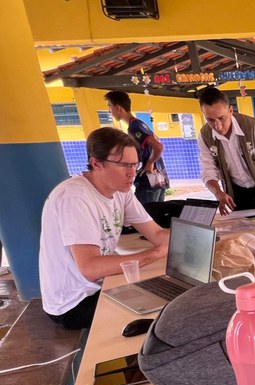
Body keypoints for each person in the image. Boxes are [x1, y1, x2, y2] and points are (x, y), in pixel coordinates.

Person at [39, 128, 169, 329]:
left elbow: (157, 234)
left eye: (135, 164)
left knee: (167, 293)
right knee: (162, 315)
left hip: (101, 285)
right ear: (96, 163)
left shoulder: (120, 190)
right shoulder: (75, 197)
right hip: (74, 302)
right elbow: (90, 268)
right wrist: (157, 253)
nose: (132, 173)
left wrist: (190, 240)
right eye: (124, 165)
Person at [197, 86, 255, 217]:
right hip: (235, 192)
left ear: (231, 110)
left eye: (222, 118)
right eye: (210, 120)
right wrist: (218, 193)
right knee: (240, 234)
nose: (217, 126)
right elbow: (208, 171)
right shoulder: (205, 136)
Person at [104, 90, 169, 204]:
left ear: (118, 108)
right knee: (157, 215)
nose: (110, 111)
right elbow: (156, 139)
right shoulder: (139, 123)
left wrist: (149, 163)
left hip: (148, 181)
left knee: (145, 215)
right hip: (156, 180)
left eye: (110, 106)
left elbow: (158, 146)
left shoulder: (135, 127)